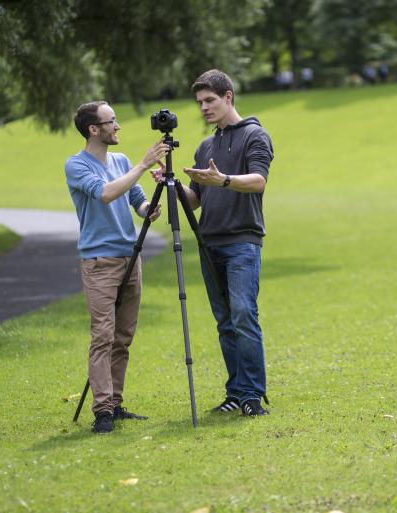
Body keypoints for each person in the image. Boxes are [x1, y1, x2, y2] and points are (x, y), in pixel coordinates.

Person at [161, 69, 274, 416]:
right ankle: (236, 392)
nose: (204, 108)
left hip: (242, 240)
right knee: (224, 321)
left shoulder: (255, 135)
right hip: (209, 242)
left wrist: (222, 179)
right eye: (199, 103)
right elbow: (196, 199)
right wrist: (173, 185)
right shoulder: (206, 145)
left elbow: (258, 181)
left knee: (243, 314)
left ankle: (253, 395)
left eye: (209, 100)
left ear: (228, 97)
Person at [65, 101, 168, 434]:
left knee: (123, 337)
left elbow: (134, 199)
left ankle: (116, 402)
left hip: (130, 257)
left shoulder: (121, 161)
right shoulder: (76, 166)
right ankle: (103, 412)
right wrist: (142, 164)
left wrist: (148, 208)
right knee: (103, 337)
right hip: (100, 262)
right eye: (112, 121)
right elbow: (106, 194)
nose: (118, 126)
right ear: (94, 129)